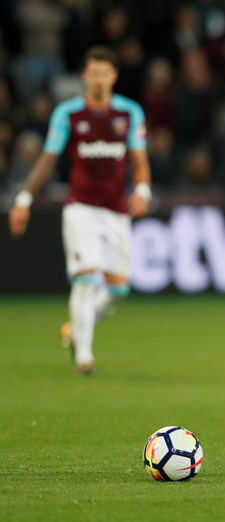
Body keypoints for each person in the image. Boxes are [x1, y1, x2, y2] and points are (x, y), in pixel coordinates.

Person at [8, 46, 151, 375]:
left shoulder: (129, 113)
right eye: (93, 73)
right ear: (85, 76)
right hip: (80, 208)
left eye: (105, 73)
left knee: (118, 290)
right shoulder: (68, 113)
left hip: (116, 210)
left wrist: (142, 190)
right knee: (85, 276)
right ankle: (84, 357)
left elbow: (139, 160)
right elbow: (48, 159)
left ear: (113, 76)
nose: (99, 79)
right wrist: (24, 198)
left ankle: (76, 330)